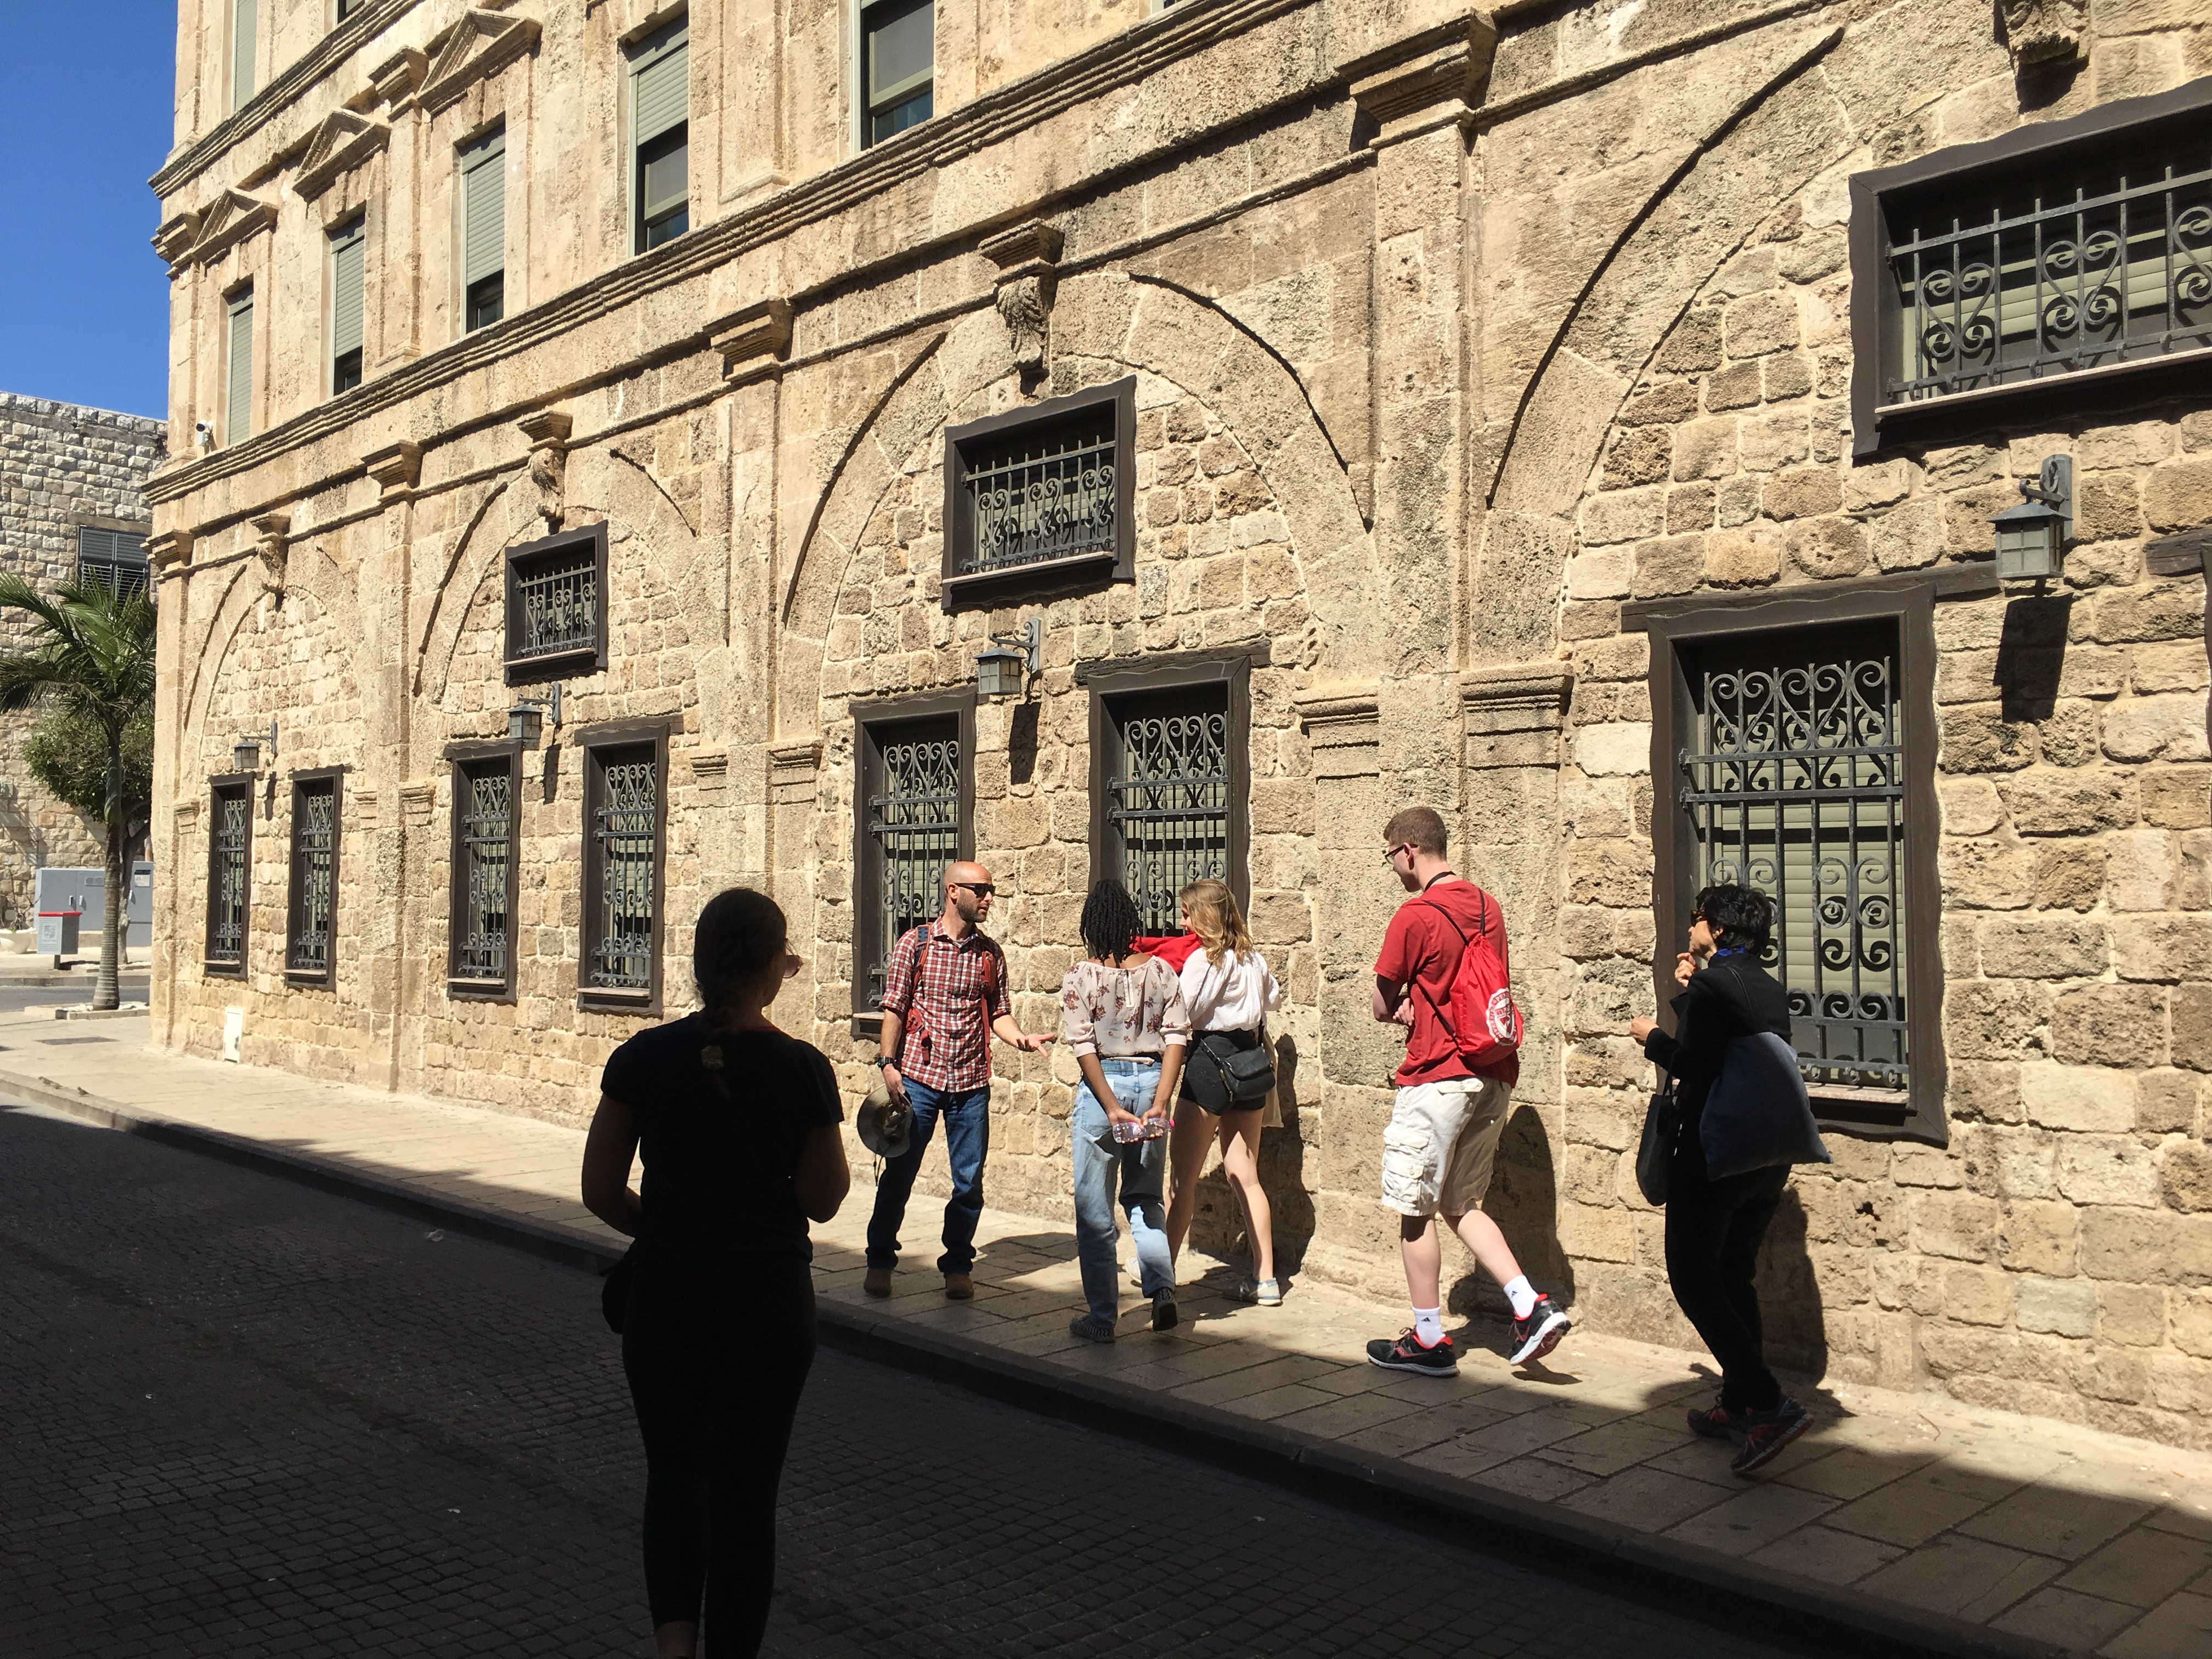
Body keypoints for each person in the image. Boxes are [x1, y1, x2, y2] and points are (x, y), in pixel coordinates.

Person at [581, 887, 851, 1659]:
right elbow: (823, 1201)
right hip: (767, 1302)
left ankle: (673, 1648)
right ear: (775, 967)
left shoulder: (640, 1060)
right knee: (745, 1497)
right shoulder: (803, 1070)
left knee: (674, 1479)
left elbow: (601, 1190)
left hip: (667, 1295)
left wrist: (667, 1227)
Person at [1367, 806, 1570, 1375]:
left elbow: (1382, 1007)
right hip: (1493, 1070)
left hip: (1437, 1074)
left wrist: (1406, 1006)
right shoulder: (1488, 905)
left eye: (1390, 857)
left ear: (1409, 848)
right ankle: (1531, 1307)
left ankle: (1428, 1340)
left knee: (1415, 1209)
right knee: (1461, 1203)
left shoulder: (1415, 915)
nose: (1393, 869)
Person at [1629, 883, 1814, 1476]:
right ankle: (1737, 1403)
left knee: (1693, 1277)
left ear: (1718, 930)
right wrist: (1692, 993)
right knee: (1735, 1275)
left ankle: (1767, 1402)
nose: (1691, 929)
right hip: (1767, 1157)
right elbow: (1732, 1045)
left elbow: (1695, 1064)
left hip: (1714, 1152)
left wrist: (1649, 1036)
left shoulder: (1715, 986)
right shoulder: (1764, 986)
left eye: (1698, 921)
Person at [865, 861, 1055, 1301]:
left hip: (970, 1085)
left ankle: (957, 1266)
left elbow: (999, 1013)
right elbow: (895, 1007)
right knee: (900, 1174)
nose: (989, 897)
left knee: (968, 1182)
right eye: (981, 890)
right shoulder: (915, 944)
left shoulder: (990, 953)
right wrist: (888, 1064)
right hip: (920, 1081)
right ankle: (879, 1260)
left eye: (991, 890)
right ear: (953, 891)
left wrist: (1019, 1038)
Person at [1062, 878, 1192, 1341]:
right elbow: (1178, 1035)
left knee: (1095, 1209)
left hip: (1106, 1091)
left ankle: (1102, 1318)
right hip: (1153, 1080)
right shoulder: (1160, 972)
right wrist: (1160, 1101)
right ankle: (1162, 1292)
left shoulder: (1081, 977)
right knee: (1145, 1199)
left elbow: (1083, 1047)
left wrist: (1112, 1107)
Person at [1160, 878, 1284, 1305]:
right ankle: (1265, 1277)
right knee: (1245, 1174)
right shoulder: (1253, 959)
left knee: (1182, 1178)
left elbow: (1185, 1013)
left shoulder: (1201, 961)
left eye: (1186, 912)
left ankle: (1164, 1273)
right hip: (1249, 1065)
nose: (1182, 920)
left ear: (1203, 916)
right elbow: (1274, 999)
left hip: (1210, 1065)